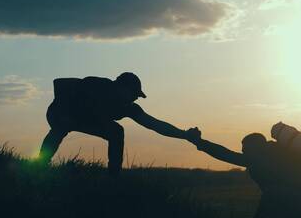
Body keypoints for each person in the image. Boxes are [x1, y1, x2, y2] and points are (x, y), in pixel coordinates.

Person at [38, 72, 196, 175]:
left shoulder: (129, 108)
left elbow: (155, 125)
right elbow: (59, 83)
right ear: (122, 87)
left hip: (89, 119)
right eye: (134, 93)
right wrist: (65, 109)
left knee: (116, 131)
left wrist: (184, 135)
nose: (135, 98)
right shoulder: (100, 85)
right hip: (60, 112)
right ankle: (40, 165)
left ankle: (114, 177)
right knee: (61, 127)